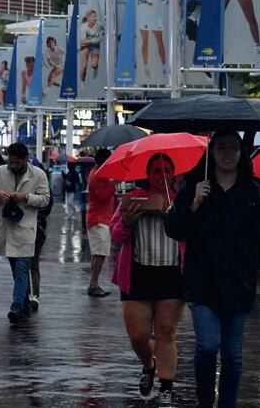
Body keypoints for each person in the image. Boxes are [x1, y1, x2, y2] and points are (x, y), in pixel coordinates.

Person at [166, 131, 260, 407]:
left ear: (242, 153)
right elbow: (173, 228)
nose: (227, 154)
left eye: (234, 148)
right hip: (201, 282)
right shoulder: (196, 186)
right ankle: (205, 401)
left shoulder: (254, 193)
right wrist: (194, 203)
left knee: (232, 354)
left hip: (238, 284)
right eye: (221, 148)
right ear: (212, 151)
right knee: (208, 346)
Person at [110, 153, 184, 406]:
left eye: (166, 170)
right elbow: (116, 235)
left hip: (172, 274)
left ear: (173, 174)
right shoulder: (134, 198)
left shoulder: (181, 201)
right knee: (138, 335)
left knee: (166, 332)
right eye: (156, 171)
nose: (161, 175)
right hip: (138, 274)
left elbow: (191, 233)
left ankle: (166, 388)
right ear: (148, 174)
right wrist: (129, 220)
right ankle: (148, 364)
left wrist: (170, 213)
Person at [0, 142, 51, 324]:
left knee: (22, 268)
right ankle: (25, 305)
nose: (12, 166)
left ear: (24, 160)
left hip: (25, 229)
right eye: (10, 162)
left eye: (16, 163)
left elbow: (46, 199)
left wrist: (26, 197)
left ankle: (16, 305)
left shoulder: (38, 175)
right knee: (16, 269)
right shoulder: (0, 172)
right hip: (6, 227)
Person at [86, 148, 116, 298]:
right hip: (99, 219)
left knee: (97, 253)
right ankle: (94, 284)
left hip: (98, 218)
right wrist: (114, 184)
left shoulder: (96, 173)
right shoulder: (99, 176)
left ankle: (93, 283)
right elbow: (103, 196)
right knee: (100, 253)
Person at [29, 158, 54, 311]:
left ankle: (34, 296)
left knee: (32, 264)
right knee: (30, 265)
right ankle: (31, 295)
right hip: (33, 229)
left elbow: (46, 206)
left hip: (37, 229)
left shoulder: (43, 187)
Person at [137, 0, 168, 79]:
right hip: (146, 18)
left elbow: (164, 3)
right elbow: (144, 0)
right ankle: (146, 66)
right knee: (145, 42)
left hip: (155, 18)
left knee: (160, 41)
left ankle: (164, 67)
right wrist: (147, 2)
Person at [79, 8, 102, 82]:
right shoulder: (83, 27)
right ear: (88, 18)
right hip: (86, 44)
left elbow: (104, 31)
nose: (95, 18)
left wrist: (100, 37)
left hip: (95, 45)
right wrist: (92, 40)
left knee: (94, 65)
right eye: (93, 17)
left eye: (95, 16)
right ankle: (82, 81)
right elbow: (81, 42)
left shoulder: (98, 25)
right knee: (84, 66)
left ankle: (95, 68)